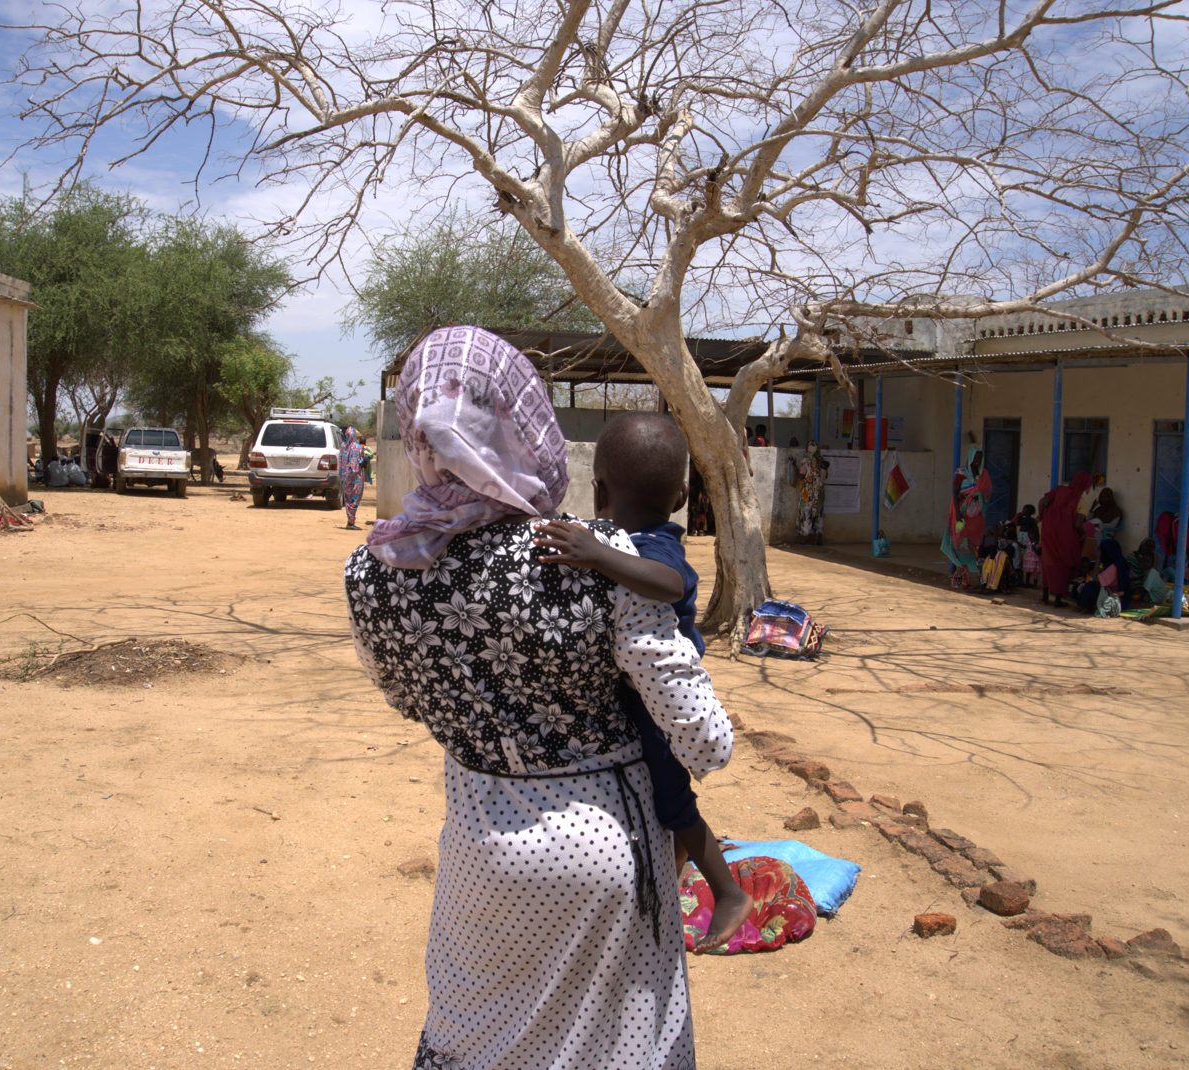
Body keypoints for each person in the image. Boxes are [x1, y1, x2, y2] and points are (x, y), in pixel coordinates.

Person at [344, 326, 732, 1070]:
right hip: (606, 851)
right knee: (617, 1047)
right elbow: (705, 743)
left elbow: (406, 697)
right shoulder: (597, 555)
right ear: (526, 424)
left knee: (479, 1039)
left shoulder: (374, 570)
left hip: (477, 845)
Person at [531, 412, 753, 953]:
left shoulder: (657, 543)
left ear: (599, 491)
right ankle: (669, 885)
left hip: (663, 703)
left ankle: (729, 892)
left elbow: (669, 583)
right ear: (681, 496)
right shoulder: (633, 537)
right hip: (641, 694)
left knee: (671, 800)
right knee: (659, 800)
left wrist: (596, 554)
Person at [1039, 471, 1093, 607]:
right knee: (1064, 562)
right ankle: (1057, 600)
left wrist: (1041, 516)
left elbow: (1042, 501)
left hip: (1048, 529)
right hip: (1065, 534)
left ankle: (1045, 597)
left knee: (1048, 560)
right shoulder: (1081, 501)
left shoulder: (1059, 490)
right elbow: (1078, 524)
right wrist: (1084, 533)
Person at [942, 446, 992, 588]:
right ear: (970, 457)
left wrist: (978, 496)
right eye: (975, 457)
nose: (977, 460)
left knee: (976, 542)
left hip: (976, 512)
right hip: (962, 511)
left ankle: (977, 573)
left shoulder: (983, 474)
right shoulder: (961, 472)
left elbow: (987, 491)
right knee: (959, 540)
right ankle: (956, 570)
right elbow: (955, 492)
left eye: (980, 458)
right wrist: (958, 512)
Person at [796, 441, 828, 545]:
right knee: (819, 514)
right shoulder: (822, 461)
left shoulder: (806, 461)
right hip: (819, 492)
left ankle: (809, 539)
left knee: (807, 514)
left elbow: (801, 475)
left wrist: (793, 466)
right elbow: (825, 476)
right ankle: (819, 540)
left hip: (808, 493)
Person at [338, 426, 367, 529]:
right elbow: (360, 460)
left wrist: (342, 473)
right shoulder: (357, 447)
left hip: (345, 476)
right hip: (356, 475)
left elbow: (340, 460)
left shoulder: (342, 446)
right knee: (356, 496)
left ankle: (350, 521)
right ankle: (351, 522)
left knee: (347, 498)